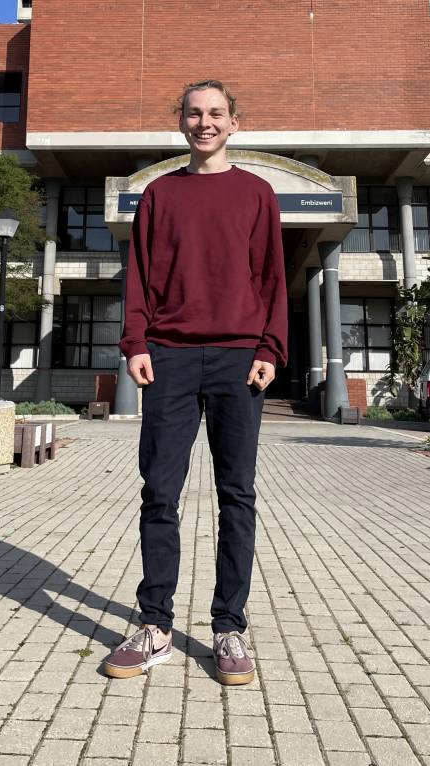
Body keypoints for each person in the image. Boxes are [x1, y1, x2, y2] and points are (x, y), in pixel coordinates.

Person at [103, 79, 287, 685]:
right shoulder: (159, 194)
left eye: (215, 113)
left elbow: (271, 279)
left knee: (237, 494)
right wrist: (135, 342)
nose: (204, 123)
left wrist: (270, 347)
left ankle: (228, 627)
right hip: (171, 357)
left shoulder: (257, 194)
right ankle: (155, 626)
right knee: (160, 491)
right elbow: (142, 277)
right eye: (193, 113)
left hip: (239, 360)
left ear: (234, 122)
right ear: (180, 122)